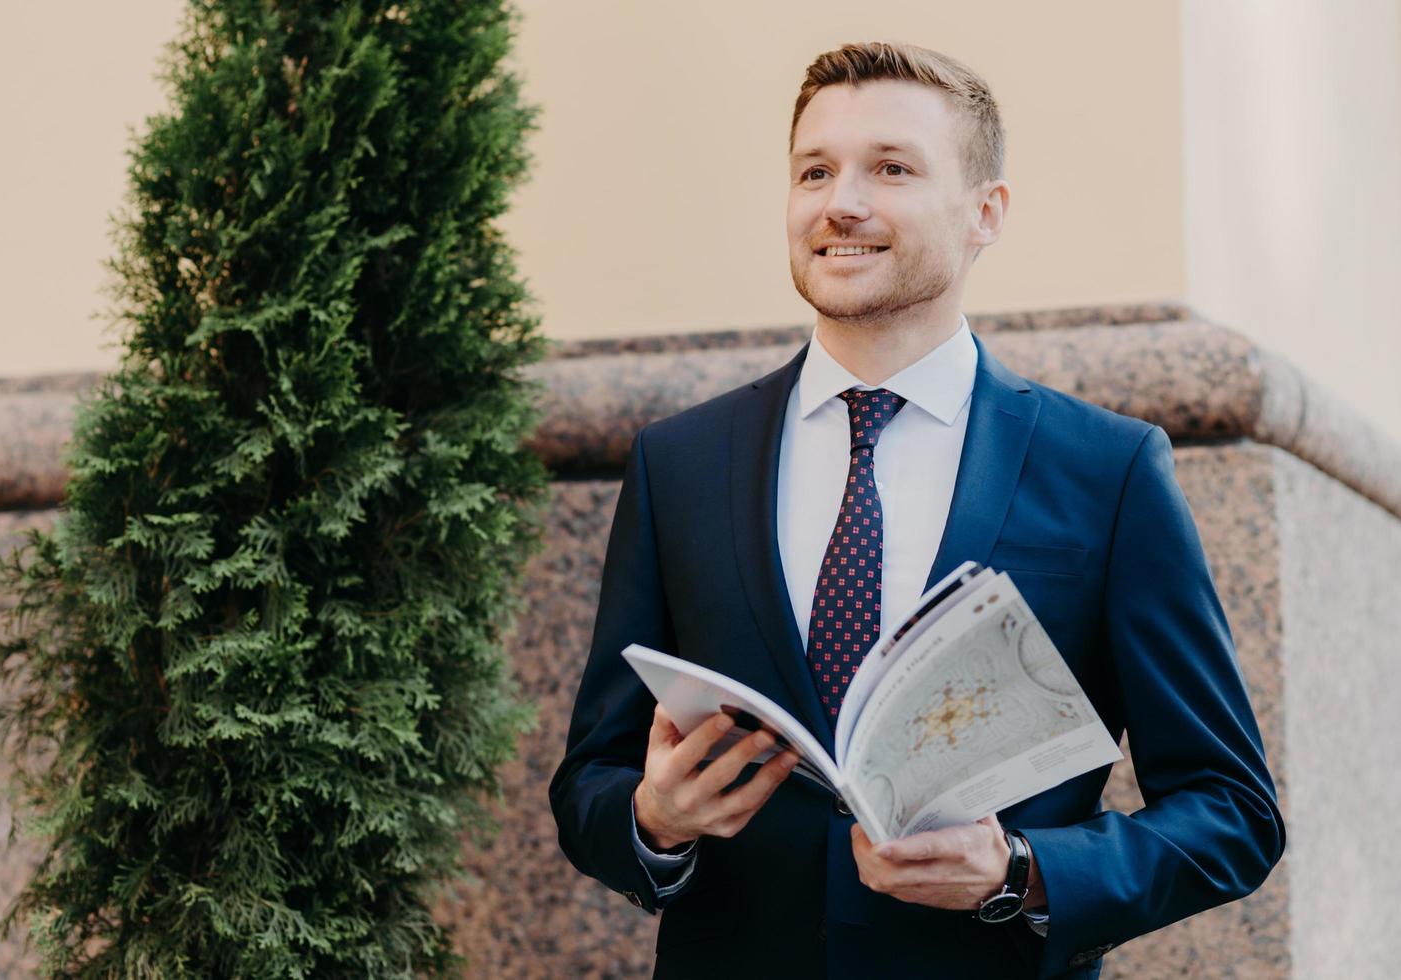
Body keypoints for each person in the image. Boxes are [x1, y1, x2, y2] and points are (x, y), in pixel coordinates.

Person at [548, 41, 1283, 979]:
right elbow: (588, 784)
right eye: (814, 171)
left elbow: (1232, 811)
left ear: (987, 213)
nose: (839, 202)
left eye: (890, 168)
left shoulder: (1109, 469)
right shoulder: (679, 462)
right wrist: (652, 821)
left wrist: (1023, 871)